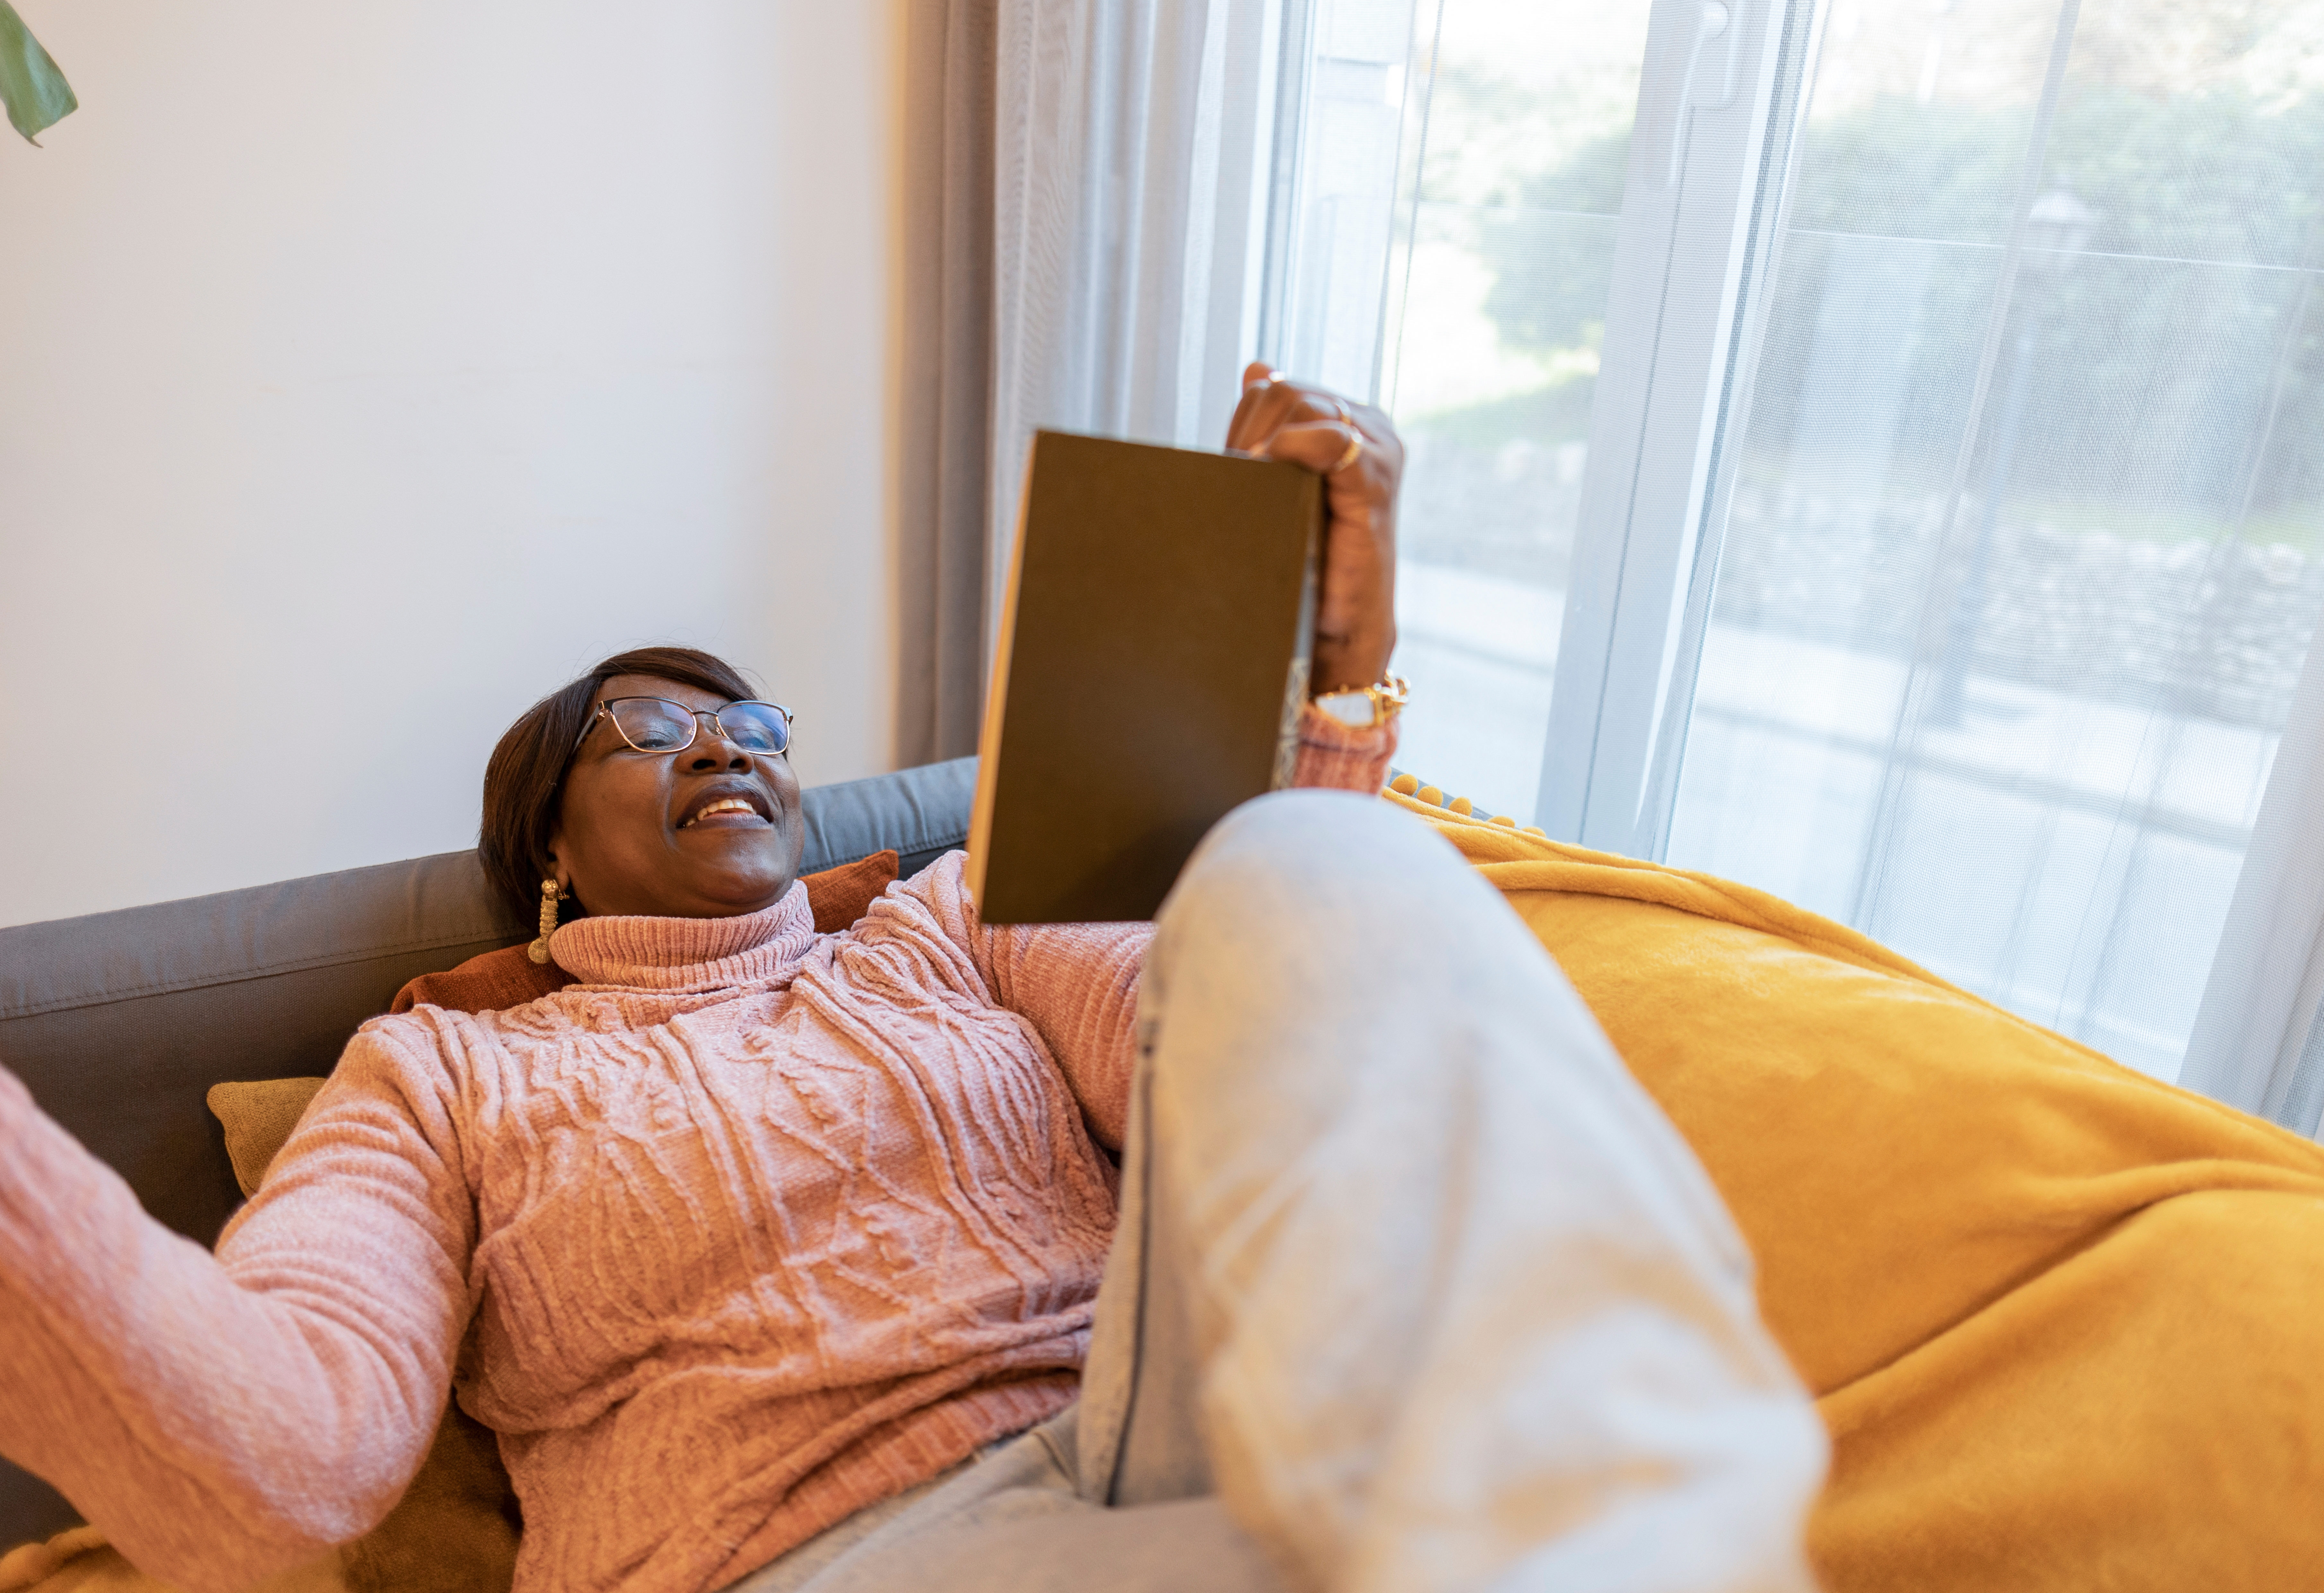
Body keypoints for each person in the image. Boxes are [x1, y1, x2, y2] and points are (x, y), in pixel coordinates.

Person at [0, 368, 1825, 1593]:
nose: (729, 742)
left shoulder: (952, 914)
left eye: (753, 720)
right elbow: (283, 1446)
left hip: (1189, 1434)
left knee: (1310, 856)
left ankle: (1620, 1515)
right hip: (826, 1554)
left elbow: (1237, 1046)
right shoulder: (442, 1075)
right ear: (548, 835)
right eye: (654, 725)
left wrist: (1311, 694)